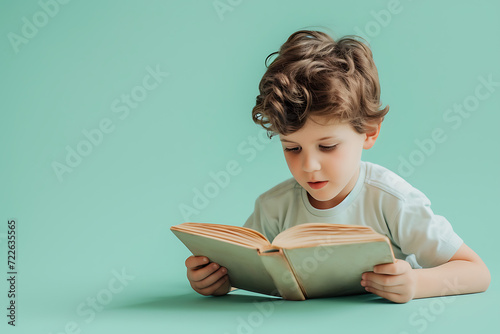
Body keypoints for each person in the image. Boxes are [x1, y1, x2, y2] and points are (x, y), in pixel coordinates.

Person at [184, 29, 491, 303]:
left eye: (328, 146)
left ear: (369, 131)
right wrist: (218, 280)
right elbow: (252, 267)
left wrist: (415, 283)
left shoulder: (392, 200)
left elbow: (477, 272)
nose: (309, 166)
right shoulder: (273, 207)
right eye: (292, 148)